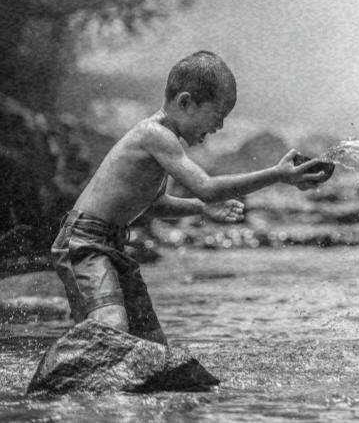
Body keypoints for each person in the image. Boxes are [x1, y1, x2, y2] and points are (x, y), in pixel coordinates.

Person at [52, 51, 330, 345]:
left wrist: (200, 209)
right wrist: (277, 174)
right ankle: (67, 376)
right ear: (185, 102)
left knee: (151, 343)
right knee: (112, 328)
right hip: (84, 243)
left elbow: (155, 204)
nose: (220, 127)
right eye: (218, 115)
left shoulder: (163, 143)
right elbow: (207, 187)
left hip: (111, 244)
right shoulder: (154, 135)